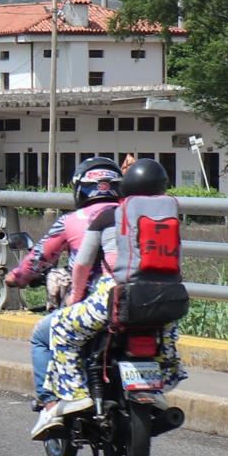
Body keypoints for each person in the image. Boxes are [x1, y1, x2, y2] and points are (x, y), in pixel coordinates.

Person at [35, 158, 185, 438]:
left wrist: (74, 300)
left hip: (115, 297)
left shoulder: (107, 217)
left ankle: (76, 395)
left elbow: (82, 265)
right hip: (166, 299)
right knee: (167, 344)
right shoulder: (170, 216)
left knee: (61, 328)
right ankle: (156, 388)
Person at [4, 157, 121, 410]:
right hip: (140, 300)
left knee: (41, 336)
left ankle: (50, 403)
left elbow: (38, 259)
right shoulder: (134, 217)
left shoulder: (72, 221)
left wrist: (16, 277)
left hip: (95, 304)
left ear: (80, 189)